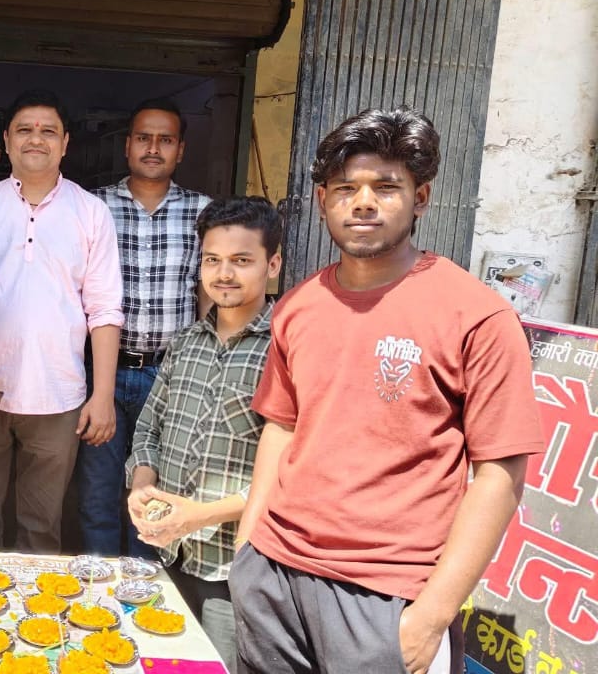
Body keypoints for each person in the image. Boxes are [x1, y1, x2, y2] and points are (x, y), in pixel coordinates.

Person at [229, 107, 544, 674]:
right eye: (346, 188)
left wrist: (431, 616)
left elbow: (500, 475)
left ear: (420, 197)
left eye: (386, 187)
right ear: (322, 199)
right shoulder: (298, 306)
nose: (363, 202)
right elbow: (282, 427)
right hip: (273, 578)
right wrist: (247, 549)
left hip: (386, 594)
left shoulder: (478, 316)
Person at [0, 88, 123, 554]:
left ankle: (38, 603)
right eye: (25, 130)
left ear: (65, 143)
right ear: (7, 141)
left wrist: (102, 395)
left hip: (58, 393)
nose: (36, 139)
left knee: (42, 527)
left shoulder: (91, 213)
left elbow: (104, 309)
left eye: (48, 131)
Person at [126, 196, 283, 674]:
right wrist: (142, 484)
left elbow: (294, 473)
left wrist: (198, 516)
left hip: (232, 569)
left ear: (272, 265)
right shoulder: (185, 343)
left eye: (241, 260)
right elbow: (148, 427)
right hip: (167, 555)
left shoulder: (287, 350)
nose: (224, 274)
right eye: (212, 260)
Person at [83, 97, 210, 558]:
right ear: (127, 145)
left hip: (170, 374)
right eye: (143, 138)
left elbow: (208, 294)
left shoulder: (202, 212)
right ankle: (97, 582)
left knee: (155, 494)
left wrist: (203, 369)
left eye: (165, 140)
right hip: (103, 373)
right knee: (98, 492)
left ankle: (145, 586)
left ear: (181, 149)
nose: (153, 148)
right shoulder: (94, 206)